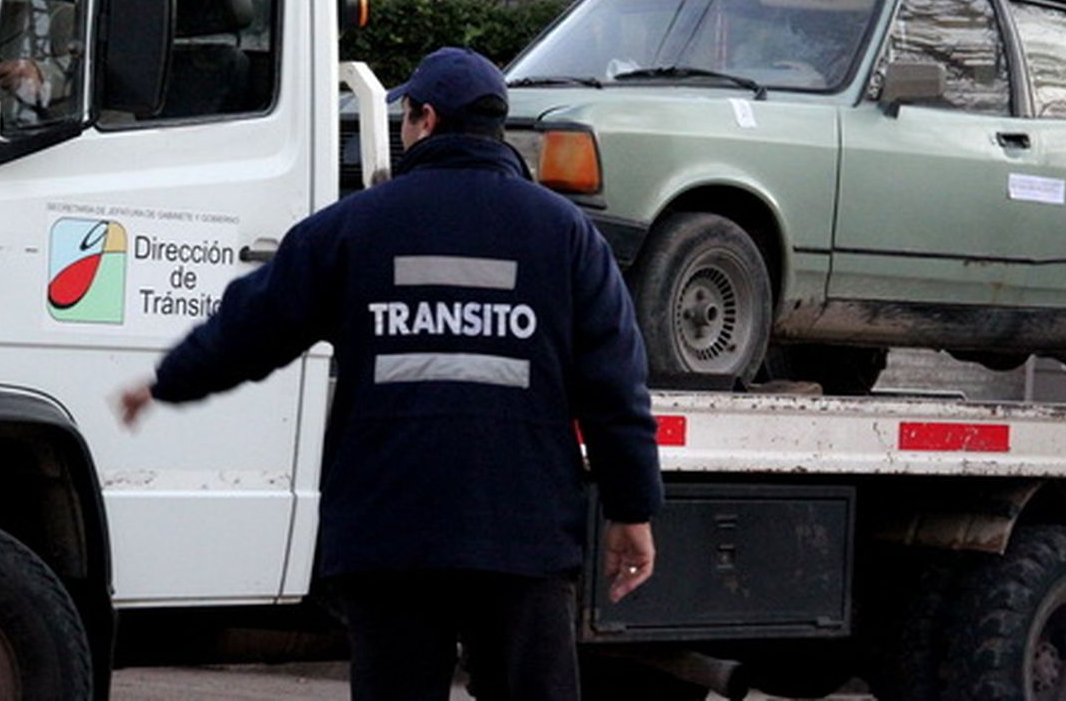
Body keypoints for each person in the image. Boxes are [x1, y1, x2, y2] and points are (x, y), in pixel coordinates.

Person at [119, 46, 664, 701]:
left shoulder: (354, 228)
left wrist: (167, 380)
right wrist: (632, 509)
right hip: (520, 535)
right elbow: (614, 386)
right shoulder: (567, 236)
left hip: (390, 534)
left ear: (423, 118)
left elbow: (253, 326)